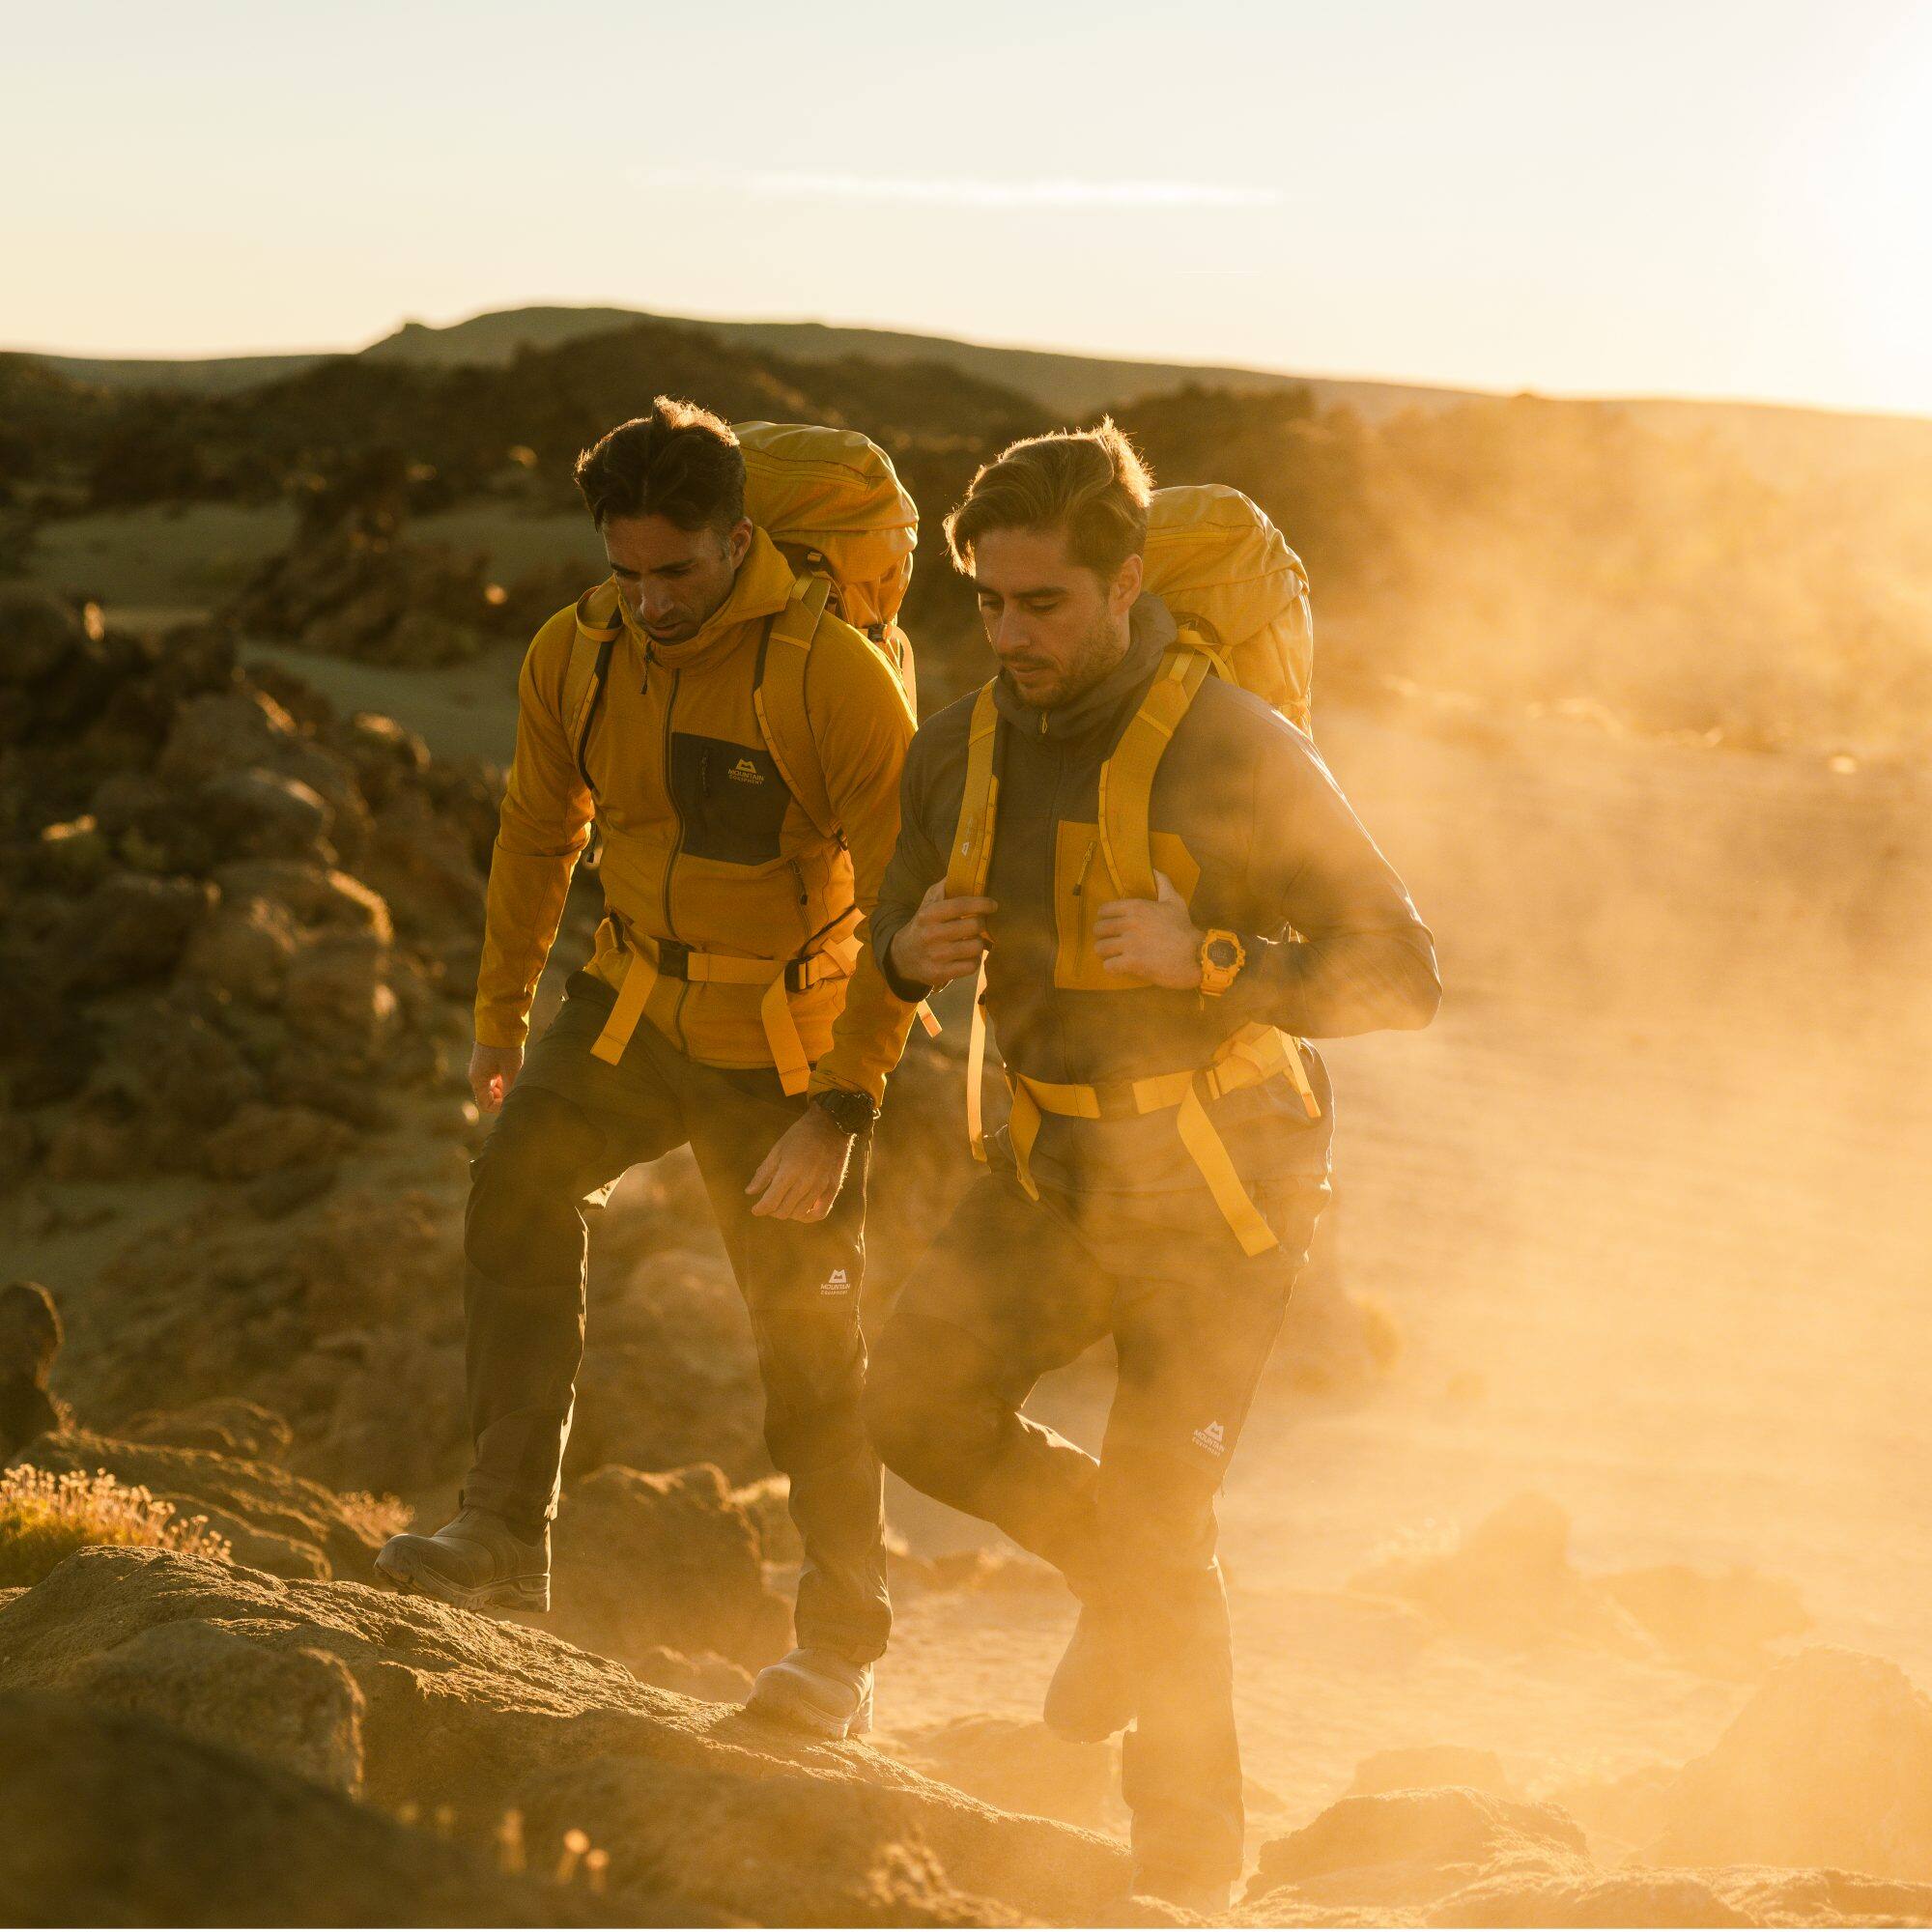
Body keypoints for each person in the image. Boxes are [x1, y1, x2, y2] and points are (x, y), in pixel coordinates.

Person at [853, 423, 1440, 1907]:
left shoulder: (1241, 746)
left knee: (1167, 1523)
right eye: (990, 601)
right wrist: (905, 953)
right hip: (1053, 1174)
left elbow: (1404, 973)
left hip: (1226, 1196)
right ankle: (1121, 1578)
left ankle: (1187, 1873)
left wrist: (1219, 959)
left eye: (1044, 603)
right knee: (912, 1406)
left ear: (1126, 587)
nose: (1010, 634)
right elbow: (891, 927)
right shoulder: (958, 748)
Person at [376, 399, 919, 1741]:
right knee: (515, 1183)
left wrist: (842, 1111)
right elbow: (535, 833)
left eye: (676, 570)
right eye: (625, 571)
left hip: (788, 1049)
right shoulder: (577, 652)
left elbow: (908, 910)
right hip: (627, 1011)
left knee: (811, 1345)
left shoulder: (833, 676)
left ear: (739, 540)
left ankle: (839, 1655)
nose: (652, 601)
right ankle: (503, 1533)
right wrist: (500, 1019)